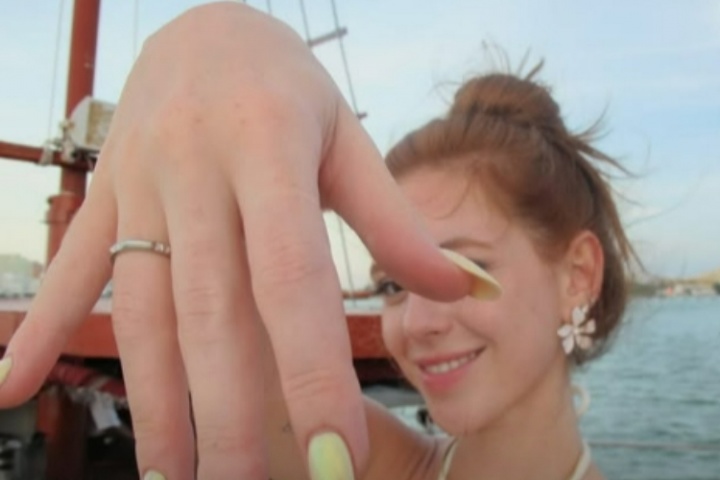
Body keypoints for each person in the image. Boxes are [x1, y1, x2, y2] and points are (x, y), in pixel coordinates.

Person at [0, 3, 634, 479]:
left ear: (578, 274)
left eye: (467, 268)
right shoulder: (357, 457)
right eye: (394, 284)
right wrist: (217, 38)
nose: (417, 322)